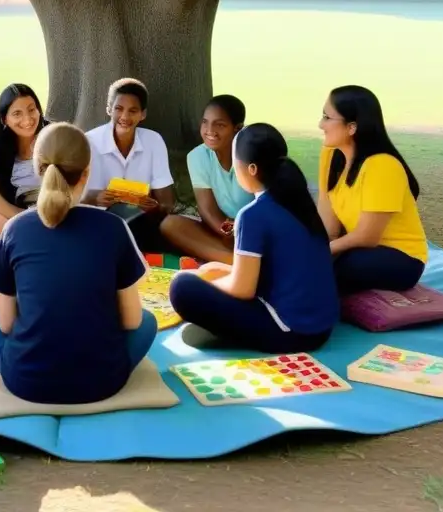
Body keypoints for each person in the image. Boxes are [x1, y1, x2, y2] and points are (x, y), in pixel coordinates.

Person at [0, 122, 158, 405]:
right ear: (87, 172)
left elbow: (4, 325)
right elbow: (133, 320)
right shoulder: (113, 227)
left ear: (38, 168)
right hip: (103, 381)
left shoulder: (14, 229)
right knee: (148, 322)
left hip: (26, 381)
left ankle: (12, 362)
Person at [169, 123, 339, 352]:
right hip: (322, 328)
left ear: (251, 169)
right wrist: (212, 273)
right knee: (210, 270)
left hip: (291, 332)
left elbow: (243, 288)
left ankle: (226, 331)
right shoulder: (300, 202)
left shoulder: (252, 215)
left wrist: (208, 284)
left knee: (182, 286)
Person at [317, 85, 428, 295]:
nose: (320, 124)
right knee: (300, 261)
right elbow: (329, 227)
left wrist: (322, 252)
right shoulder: (330, 155)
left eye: (327, 117)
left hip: (401, 259)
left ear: (352, 127)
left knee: (341, 266)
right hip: (356, 249)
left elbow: (367, 237)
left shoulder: (382, 165)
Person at [82, 78, 176, 252]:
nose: (125, 117)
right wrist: (95, 198)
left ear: (143, 114)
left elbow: (166, 202)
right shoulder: (89, 141)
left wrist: (153, 206)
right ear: (109, 109)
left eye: (133, 111)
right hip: (101, 221)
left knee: (152, 227)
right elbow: (79, 197)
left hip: (141, 221)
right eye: (118, 109)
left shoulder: (153, 141)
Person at [160, 95, 252, 264]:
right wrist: (227, 231)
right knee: (171, 225)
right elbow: (207, 209)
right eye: (205, 122)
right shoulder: (197, 156)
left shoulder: (251, 156)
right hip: (225, 229)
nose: (210, 130)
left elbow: (267, 208)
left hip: (255, 229)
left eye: (220, 125)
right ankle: (238, 262)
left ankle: (242, 263)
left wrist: (239, 231)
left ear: (237, 128)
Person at [0, 83, 49, 236]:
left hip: (51, 209)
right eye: (17, 113)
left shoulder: (54, 136)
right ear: (4, 119)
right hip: (14, 211)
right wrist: (27, 218)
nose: (27, 119)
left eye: (31, 109)